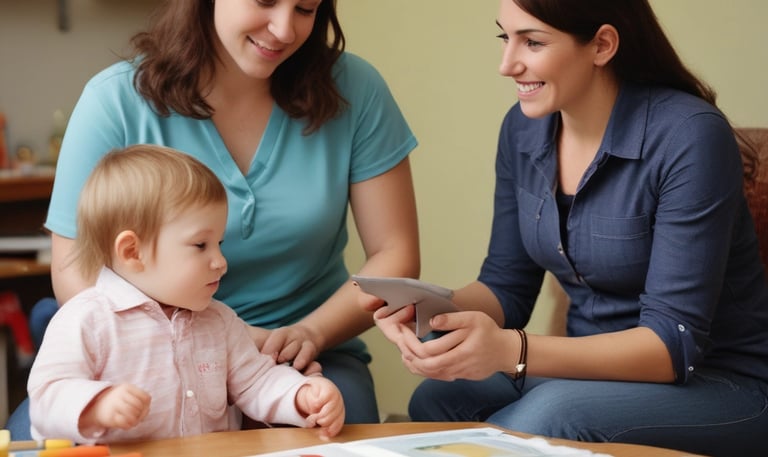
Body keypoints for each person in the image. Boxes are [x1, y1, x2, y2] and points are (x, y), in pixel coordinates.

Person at [362, 1, 768, 456]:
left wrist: (508, 350)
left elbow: (671, 345)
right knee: (441, 397)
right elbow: (506, 288)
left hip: (723, 385)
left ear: (602, 44)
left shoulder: (689, 136)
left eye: (532, 42)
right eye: (505, 37)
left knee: (549, 416)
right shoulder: (522, 130)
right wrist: (428, 308)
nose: (506, 64)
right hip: (588, 375)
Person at [5, 0, 420, 439]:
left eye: (305, 7)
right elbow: (77, 268)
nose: (283, 28)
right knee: (35, 438)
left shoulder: (356, 89)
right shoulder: (115, 100)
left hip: (303, 353)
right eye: (264, 1)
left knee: (336, 430)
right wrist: (219, 338)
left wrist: (308, 334)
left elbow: (395, 254)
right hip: (137, 352)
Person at [28, 145, 345, 443]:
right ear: (132, 251)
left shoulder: (219, 321)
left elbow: (257, 382)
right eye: (200, 245)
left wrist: (301, 396)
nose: (220, 262)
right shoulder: (86, 320)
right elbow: (45, 399)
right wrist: (97, 405)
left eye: (219, 244)